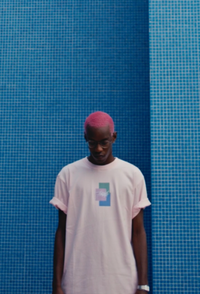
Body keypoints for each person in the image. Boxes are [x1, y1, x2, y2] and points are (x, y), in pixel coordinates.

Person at [51, 111, 151, 294]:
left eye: (104, 142)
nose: (98, 149)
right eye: (92, 143)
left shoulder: (132, 175)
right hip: (77, 282)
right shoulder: (68, 175)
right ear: (85, 138)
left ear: (114, 137)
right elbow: (62, 231)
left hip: (122, 283)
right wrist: (56, 285)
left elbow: (138, 232)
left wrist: (143, 285)